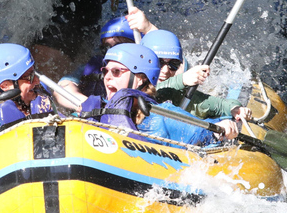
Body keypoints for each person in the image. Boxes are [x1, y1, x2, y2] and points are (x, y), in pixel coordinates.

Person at [79, 43, 240, 147]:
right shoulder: (96, 110)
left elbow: (202, 134)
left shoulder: (162, 116)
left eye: (116, 72)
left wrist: (221, 125)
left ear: (140, 79)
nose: (107, 77)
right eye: (105, 71)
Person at [140, 29, 254, 124]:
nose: (165, 71)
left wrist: (235, 109)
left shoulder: (176, 93)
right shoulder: (126, 80)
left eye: (173, 65)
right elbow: (143, 95)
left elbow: (218, 104)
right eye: (159, 62)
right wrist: (182, 79)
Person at [56, 15, 136, 103]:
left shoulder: (145, 71)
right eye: (106, 47)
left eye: (118, 46)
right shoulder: (96, 66)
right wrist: (87, 104)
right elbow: (61, 88)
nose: (112, 53)